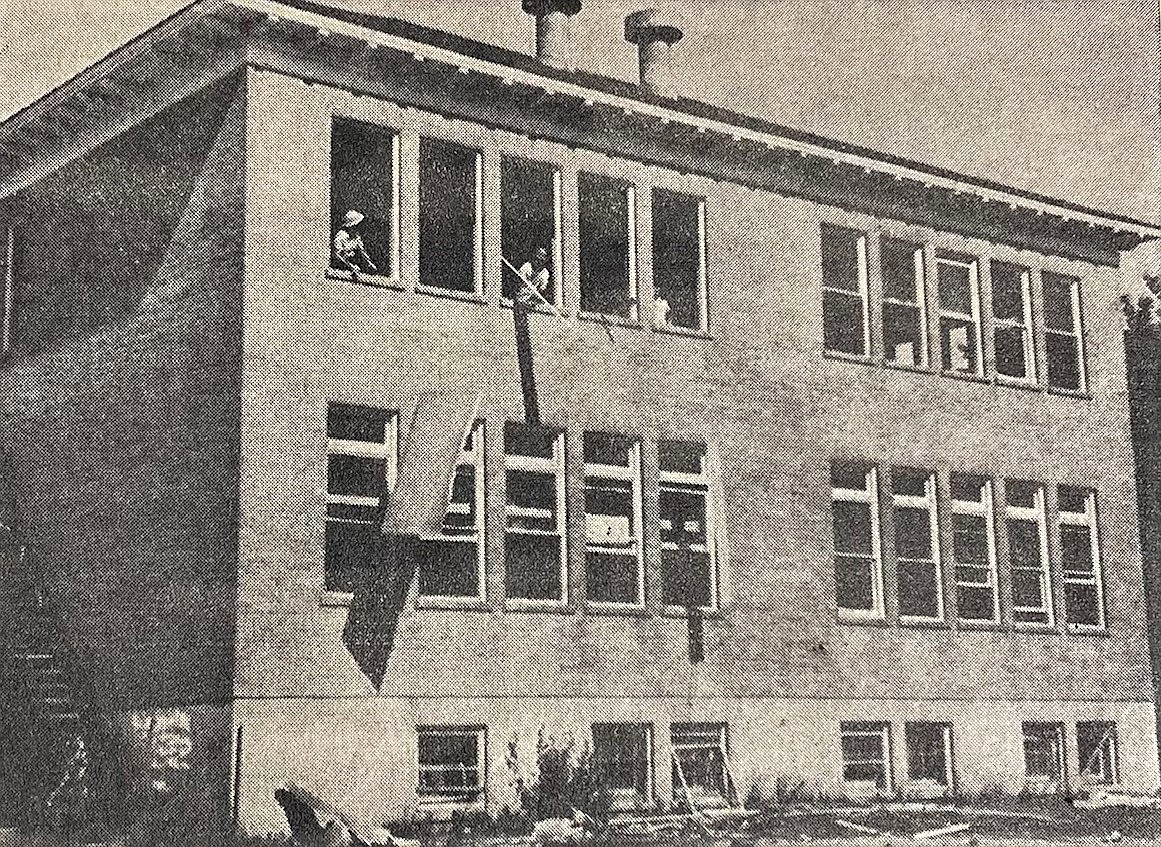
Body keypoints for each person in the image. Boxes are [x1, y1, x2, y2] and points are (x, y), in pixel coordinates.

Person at [333, 210, 377, 276]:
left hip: (353, 265)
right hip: (340, 268)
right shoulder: (341, 236)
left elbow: (362, 250)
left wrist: (370, 263)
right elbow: (337, 255)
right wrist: (351, 266)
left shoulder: (356, 236)